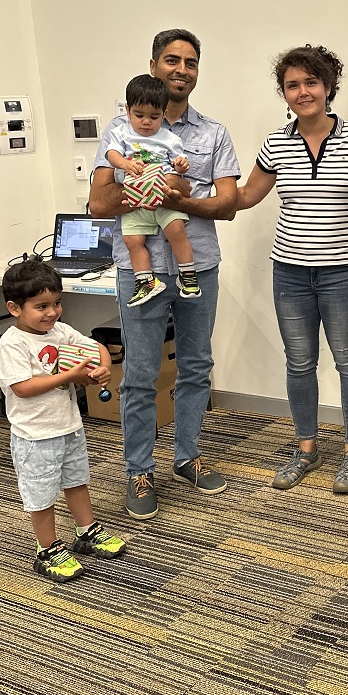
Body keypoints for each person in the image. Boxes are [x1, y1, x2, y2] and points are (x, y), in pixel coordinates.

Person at [90, 28, 240, 520]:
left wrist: (175, 197)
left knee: (196, 366)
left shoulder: (212, 134)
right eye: (172, 60)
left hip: (198, 264)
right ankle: (139, 469)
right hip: (141, 269)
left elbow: (227, 205)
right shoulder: (119, 132)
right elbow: (98, 204)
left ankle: (187, 456)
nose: (181, 69)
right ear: (154, 65)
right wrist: (151, 186)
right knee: (139, 374)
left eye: (191, 62)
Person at [236, 45, 348, 495]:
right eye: (292, 85)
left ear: (328, 86)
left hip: (343, 272)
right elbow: (247, 195)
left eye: (311, 82)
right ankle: (306, 448)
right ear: (284, 93)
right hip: (290, 273)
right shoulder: (275, 143)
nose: (302, 92)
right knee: (299, 363)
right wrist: (192, 195)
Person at [0, 261, 126, 582]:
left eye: (56, 303)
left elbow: (96, 347)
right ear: (14, 308)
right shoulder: (12, 345)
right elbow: (23, 388)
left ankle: (86, 530)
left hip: (69, 427)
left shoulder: (60, 332)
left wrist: (102, 367)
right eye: (42, 307)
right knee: (40, 495)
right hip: (35, 436)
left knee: (77, 481)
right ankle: (47, 549)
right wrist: (69, 376)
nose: (52, 312)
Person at [103, 74, 199, 307]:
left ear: (164, 114)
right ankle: (146, 281)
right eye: (139, 115)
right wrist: (124, 164)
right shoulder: (121, 132)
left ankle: (187, 274)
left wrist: (181, 166)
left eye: (154, 117)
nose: (146, 122)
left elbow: (179, 162)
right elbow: (111, 154)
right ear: (127, 111)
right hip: (135, 200)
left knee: (177, 231)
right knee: (132, 240)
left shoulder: (169, 138)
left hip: (163, 197)